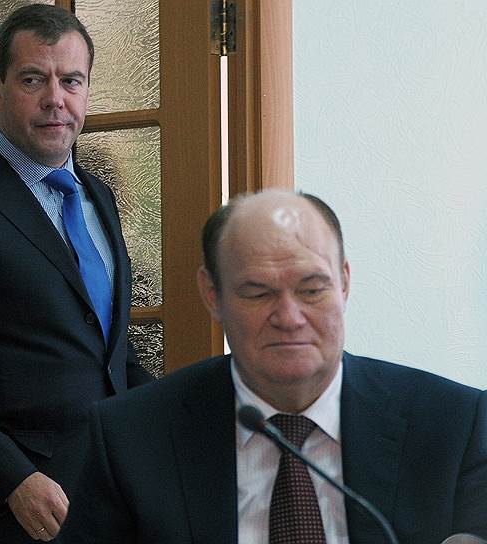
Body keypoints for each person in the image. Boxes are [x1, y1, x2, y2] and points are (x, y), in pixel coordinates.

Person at [58, 190, 487, 543]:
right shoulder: (132, 438)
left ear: (344, 282)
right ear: (212, 294)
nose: (289, 318)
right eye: (258, 293)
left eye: (312, 290)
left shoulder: (455, 426)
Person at [0, 4, 152, 542]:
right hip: (5, 511)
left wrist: (171, 429)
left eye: (71, 81)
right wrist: (13, 478)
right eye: (33, 79)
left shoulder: (99, 198)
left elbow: (109, 350)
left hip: (103, 496)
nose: (55, 99)